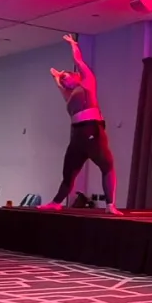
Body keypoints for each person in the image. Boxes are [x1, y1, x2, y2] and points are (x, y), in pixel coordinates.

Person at [38, 35, 120, 215]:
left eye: (67, 77)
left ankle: (110, 205)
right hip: (77, 136)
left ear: (76, 76)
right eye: (64, 80)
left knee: (106, 166)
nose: (65, 80)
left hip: (92, 130)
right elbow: (60, 86)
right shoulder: (69, 97)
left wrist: (73, 44)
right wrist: (57, 77)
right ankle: (56, 202)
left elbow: (78, 61)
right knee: (69, 172)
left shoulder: (87, 83)